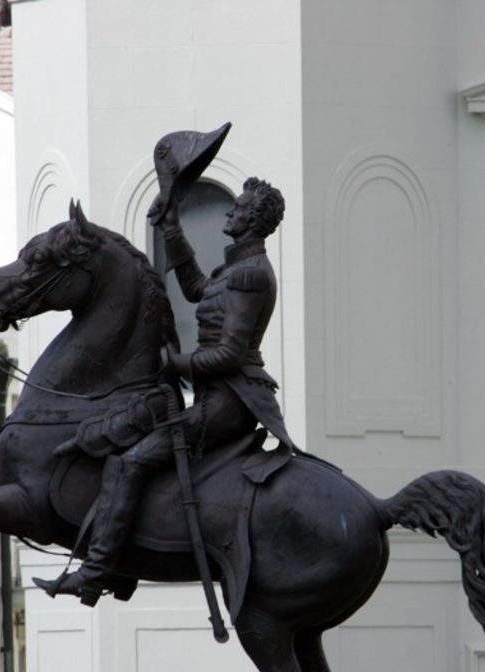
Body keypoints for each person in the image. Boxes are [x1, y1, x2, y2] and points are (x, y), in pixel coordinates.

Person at [34, 176, 296, 606]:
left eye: (240, 207)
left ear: (255, 219)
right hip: (214, 394)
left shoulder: (250, 274)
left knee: (132, 462)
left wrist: (177, 363)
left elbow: (230, 353)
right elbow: (196, 289)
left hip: (230, 401)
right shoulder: (233, 268)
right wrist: (171, 229)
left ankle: (98, 572)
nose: (231, 211)